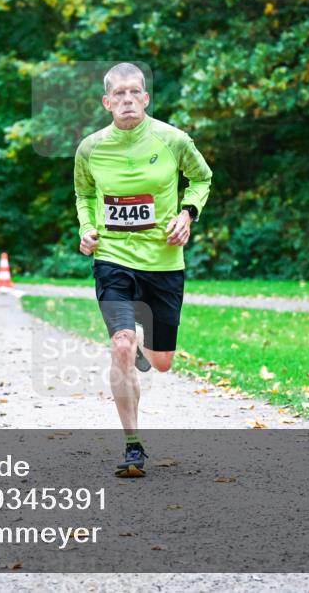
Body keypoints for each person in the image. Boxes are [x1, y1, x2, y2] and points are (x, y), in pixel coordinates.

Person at [74, 63, 212, 477]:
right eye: (119, 94)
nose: (128, 100)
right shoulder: (91, 148)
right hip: (113, 258)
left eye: (135, 92)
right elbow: (83, 193)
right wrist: (86, 227)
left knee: (164, 360)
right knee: (121, 344)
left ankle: (144, 349)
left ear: (146, 98)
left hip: (164, 263)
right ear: (107, 102)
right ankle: (133, 445)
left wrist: (188, 214)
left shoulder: (172, 139)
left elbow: (202, 179)